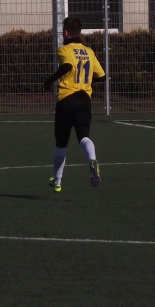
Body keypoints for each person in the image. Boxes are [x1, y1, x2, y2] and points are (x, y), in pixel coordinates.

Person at [42, 16, 106, 192]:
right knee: (84, 137)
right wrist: (86, 79)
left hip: (67, 99)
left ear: (65, 32)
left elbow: (68, 66)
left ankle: (57, 182)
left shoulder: (64, 49)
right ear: (79, 32)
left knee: (61, 143)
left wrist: (49, 81)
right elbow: (102, 76)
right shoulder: (89, 51)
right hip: (84, 99)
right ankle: (92, 159)